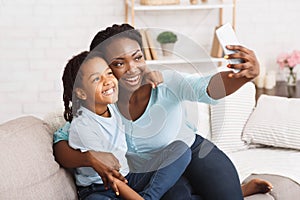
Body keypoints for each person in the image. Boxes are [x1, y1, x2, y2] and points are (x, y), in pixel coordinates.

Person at [54, 24, 272, 200]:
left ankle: (240, 191)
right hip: (153, 174)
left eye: (137, 58)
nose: (132, 68)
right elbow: (63, 141)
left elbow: (206, 88)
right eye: (119, 63)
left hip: (189, 152)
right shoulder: (102, 104)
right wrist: (89, 158)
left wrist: (244, 75)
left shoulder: (165, 82)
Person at [61, 50, 191, 200]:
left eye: (109, 73)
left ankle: (150, 197)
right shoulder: (83, 126)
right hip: (99, 188)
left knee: (181, 149)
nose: (107, 81)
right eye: (96, 79)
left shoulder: (112, 106)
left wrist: (147, 73)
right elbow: (112, 177)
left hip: (128, 179)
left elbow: (132, 79)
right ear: (82, 93)